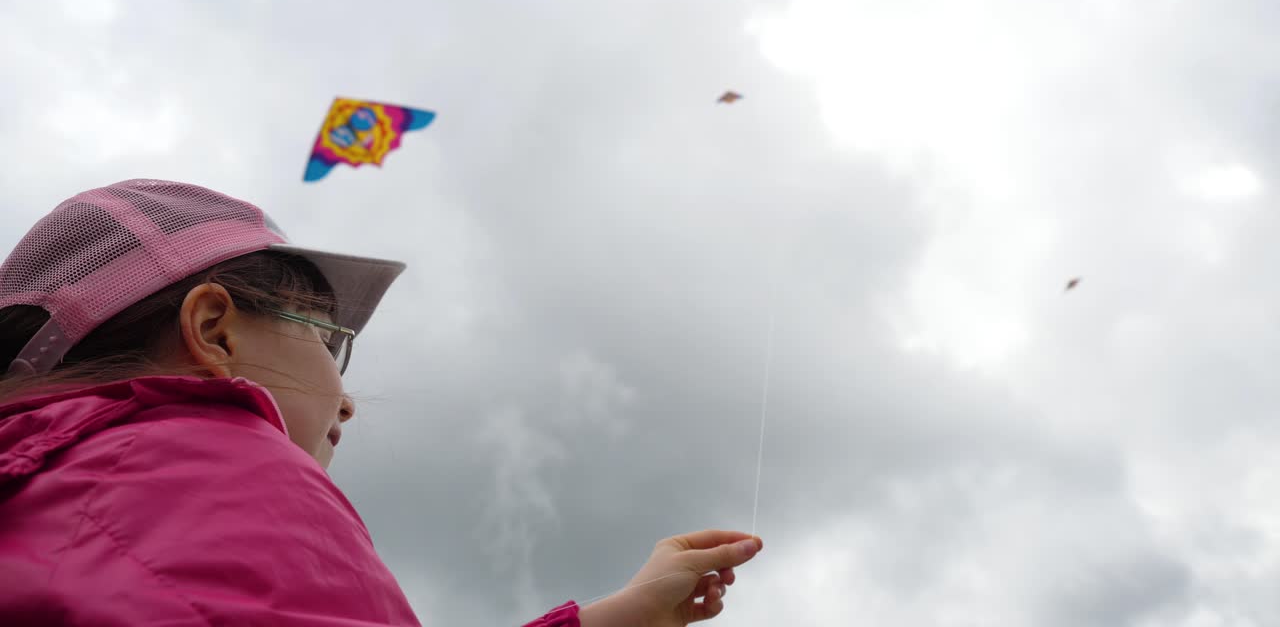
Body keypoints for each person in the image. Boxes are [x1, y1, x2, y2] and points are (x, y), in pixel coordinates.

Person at [0, 179, 763, 626]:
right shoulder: (218, 462)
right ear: (213, 331)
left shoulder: (40, 501)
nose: (348, 400)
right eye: (328, 341)